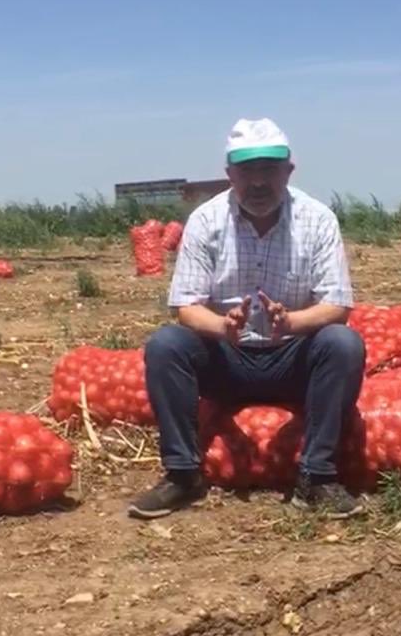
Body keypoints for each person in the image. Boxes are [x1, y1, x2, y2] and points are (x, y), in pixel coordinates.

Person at [128, 117, 365, 520]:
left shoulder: (317, 219)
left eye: (269, 170)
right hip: (227, 358)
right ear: (229, 175)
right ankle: (183, 475)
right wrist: (222, 327)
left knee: (343, 343)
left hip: (293, 358)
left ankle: (317, 477)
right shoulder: (205, 221)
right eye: (247, 171)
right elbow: (185, 305)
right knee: (167, 345)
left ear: (288, 171)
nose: (258, 182)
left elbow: (337, 306)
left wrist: (292, 323)